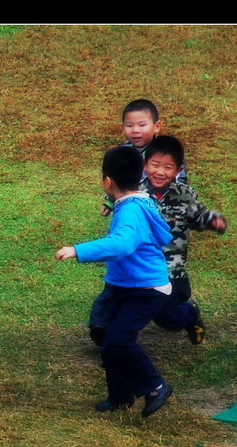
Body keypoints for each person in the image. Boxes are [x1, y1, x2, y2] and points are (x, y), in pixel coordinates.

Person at [56, 146, 174, 417]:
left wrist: (77, 250)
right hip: (127, 286)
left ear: (107, 181)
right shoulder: (137, 200)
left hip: (146, 291)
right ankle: (120, 396)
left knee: (119, 341)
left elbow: (122, 245)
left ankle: (155, 386)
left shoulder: (131, 212)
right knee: (109, 339)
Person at [90, 136, 227, 345]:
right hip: (139, 264)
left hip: (171, 270)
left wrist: (213, 221)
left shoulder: (184, 195)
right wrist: (109, 202)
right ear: (145, 165)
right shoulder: (137, 190)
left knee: (166, 317)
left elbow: (199, 216)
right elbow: (119, 193)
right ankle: (104, 331)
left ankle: (189, 314)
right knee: (113, 296)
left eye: (168, 167)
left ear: (178, 170)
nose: (160, 172)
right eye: (154, 165)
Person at [101, 99, 188, 217]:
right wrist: (110, 200)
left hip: (161, 210)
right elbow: (116, 180)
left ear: (156, 127)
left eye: (142, 125)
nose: (135, 130)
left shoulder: (166, 152)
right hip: (130, 209)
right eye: (129, 125)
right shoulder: (122, 153)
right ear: (122, 128)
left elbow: (180, 180)